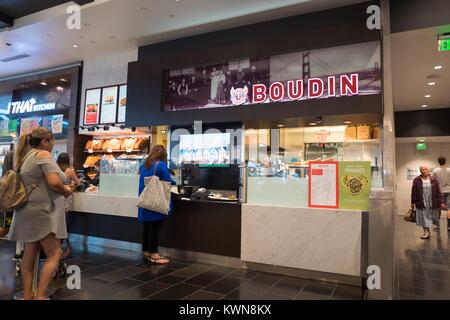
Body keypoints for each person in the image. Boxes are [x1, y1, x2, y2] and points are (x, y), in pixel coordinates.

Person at [7, 127, 72, 300]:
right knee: (55, 253)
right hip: (41, 212)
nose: (52, 145)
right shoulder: (43, 155)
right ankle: (41, 295)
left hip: (27, 211)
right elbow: (54, 182)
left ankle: (29, 295)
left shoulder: (25, 156)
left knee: (29, 255)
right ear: (45, 141)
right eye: (52, 141)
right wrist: (66, 192)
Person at [138, 145, 176, 265]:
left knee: (147, 227)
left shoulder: (145, 164)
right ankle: (154, 254)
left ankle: (146, 251)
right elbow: (167, 181)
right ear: (164, 154)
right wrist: (175, 182)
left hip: (145, 199)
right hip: (156, 201)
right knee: (154, 228)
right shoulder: (161, 165)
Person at [411, 166, 445, 240]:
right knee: (423, 217)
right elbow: (413, 192)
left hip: (432, 202)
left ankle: (428, 231)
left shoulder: (434, 180)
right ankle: (425, 232)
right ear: (420, 171)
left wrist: (441, 202)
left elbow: (438, 191)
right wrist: (412, 202)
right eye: (423, 169)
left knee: (429, 217)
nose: (424, 170)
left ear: (428, 170)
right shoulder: (416, 180)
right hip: (421, 202)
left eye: (426, 169)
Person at [432, 156, 450, 231]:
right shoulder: (449, 170)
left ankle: (437, 225)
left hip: (439, 192)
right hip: (449, 191)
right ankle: (449, 225)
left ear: (439, 162)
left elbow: (433, 182)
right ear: (445, 161)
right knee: (449, 208)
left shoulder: (435, 171)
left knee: (438, 208)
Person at [0, 150, 14, 238]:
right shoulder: (11, 155)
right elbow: (6, 177)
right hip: (10, 198)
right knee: (6, 227)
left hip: (13, 198)